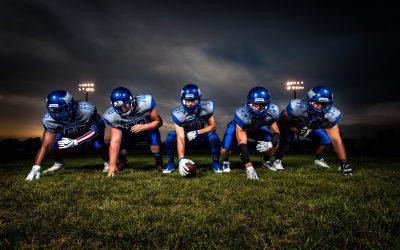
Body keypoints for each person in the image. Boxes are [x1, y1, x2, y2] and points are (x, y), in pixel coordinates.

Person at [25, 90, 109, 181]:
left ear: (71, 105)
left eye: (60, 110)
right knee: (54, 145)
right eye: (53, 110)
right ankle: (58, 164)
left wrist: (75, 142)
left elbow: (95, 131)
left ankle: (108, 162)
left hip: (89, 127)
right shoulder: (48, 120)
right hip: (68, 130)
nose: (57, 113)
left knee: (98, 144)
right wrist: (36, 167)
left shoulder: (86, 111)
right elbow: (45, 147)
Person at [273, 86, 352, 175]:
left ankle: (318, 159)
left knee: (326, 140)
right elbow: (281, 125)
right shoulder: (296, 107)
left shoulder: (332, 114)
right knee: (287, 138)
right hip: (292, 124)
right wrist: (296, 130)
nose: (320, 107)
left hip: (311, 125)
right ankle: (277, 161)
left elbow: (337, 140)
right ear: (309, 101)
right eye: (317, 103)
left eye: (324, 104)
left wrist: (344, 162)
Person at [220, 87, 281, 180]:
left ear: (268, 104)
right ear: (248, 103)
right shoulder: (241, 114)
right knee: (226, 147)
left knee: (274, 142)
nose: (258, 108)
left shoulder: (273, 111)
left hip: (256, 128)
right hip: (239, 127)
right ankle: (225, 161)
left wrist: (270, 143)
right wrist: (249, 168)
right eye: (254, 105)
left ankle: (266, 161)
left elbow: (277, 133)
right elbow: (242, 144)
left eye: (262, 105)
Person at [163, 83, 223, 176]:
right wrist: (181, 158)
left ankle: (215, 163)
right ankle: (170, 163)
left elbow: (213, 126)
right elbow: (180, 137)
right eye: (187, 101)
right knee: (170, 137)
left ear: (198, 99)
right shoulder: (178, 114)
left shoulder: (207, 107)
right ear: (183, 100)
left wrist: (198, 132)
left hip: (200, 134)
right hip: (185, 135)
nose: (190, 104)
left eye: (193, 101)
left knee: (213, 136)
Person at [103, 87, 163, 177]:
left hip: (146, 132)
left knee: (154, 134)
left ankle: (159, 163)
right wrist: (112, 165)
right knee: (113, 144)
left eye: (125, 106)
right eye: (119, 108)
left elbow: (159, 122)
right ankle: (123, 161)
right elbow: (115, 141)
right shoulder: (112, 116)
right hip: (128, 135)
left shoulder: (145, 103)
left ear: (132, 100)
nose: (123, 109)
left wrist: (144, 127)